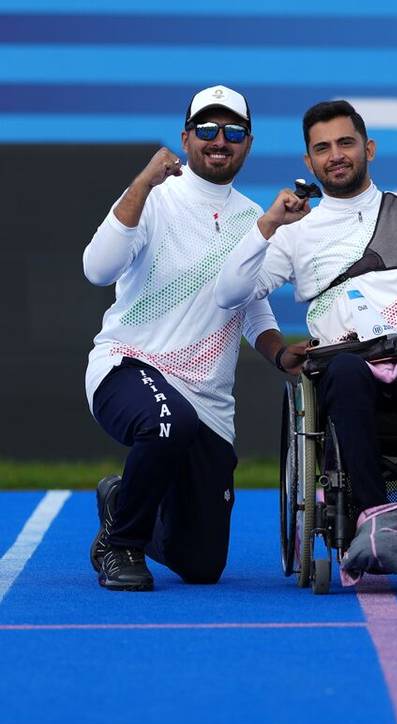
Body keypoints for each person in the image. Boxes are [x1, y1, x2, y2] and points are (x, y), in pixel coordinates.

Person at [215, 99, 397, 519]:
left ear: (369, 148)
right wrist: (268, 225)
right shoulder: (295, 231)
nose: (336, 155)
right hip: (345, 364)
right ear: (309, 162)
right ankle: (372, 518)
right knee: (345, 372)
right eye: (322, 148)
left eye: (346, 143)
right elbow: (231, 294)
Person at [83, 85, 303, 591]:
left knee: (202, 565)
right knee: (168, 420)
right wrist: (143, 181)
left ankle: (121, 503)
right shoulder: (152, 198)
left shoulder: (256, 219)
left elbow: (251, 307)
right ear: (185, 138)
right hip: (128, 366)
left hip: (208, 400)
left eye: (233, 132)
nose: (218, 140)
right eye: (206, 129)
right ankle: (120, 545)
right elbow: (97, 269)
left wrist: (278, 353)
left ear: (248, 144)